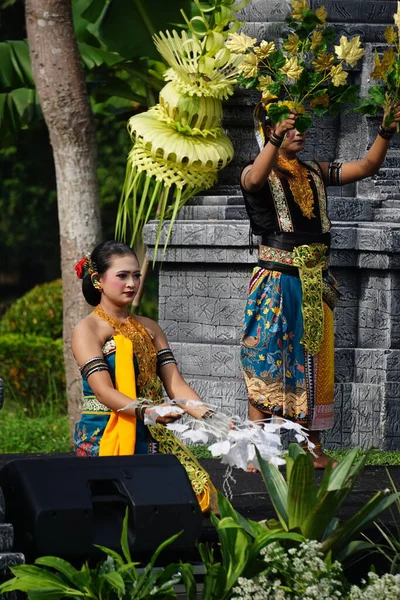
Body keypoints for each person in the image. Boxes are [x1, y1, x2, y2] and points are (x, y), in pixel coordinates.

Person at [240, 104, 400, 468]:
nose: (300, 133)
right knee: (266, 356)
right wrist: (274, 137)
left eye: (302, 126)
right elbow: (252, 182)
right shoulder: (258, 170)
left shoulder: (313, 171)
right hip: (277, 281)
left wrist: (386, 132)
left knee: (315, 362)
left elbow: (366, 168)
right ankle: (256, 447)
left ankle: (313, 447)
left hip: (316, 282)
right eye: (290, 127)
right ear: (269, 129)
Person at [72, 240, 216, 511]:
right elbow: (103, 391)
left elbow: (176, 385)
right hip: (106, 432)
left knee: (199, 496)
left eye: (136, 275)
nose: (132, 283)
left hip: (151, 431)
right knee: (125, 509)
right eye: (122, 276)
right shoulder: (87, 330)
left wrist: (213, 419)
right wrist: (150, 411)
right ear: (98, 280)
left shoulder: (149, 327)